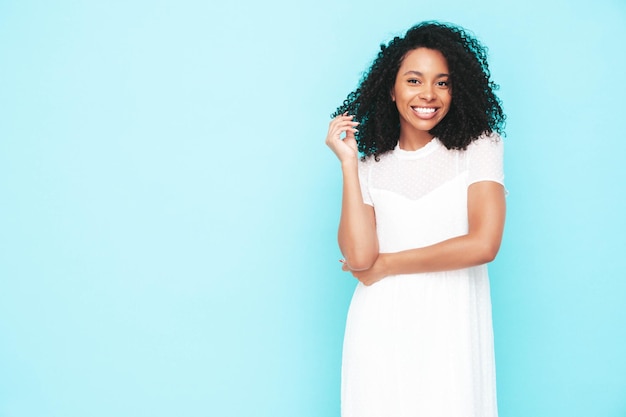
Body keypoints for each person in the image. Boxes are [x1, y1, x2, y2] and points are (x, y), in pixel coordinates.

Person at [325, 21, 507, 417]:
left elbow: (484, 244)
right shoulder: (371, 167)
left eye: (442, 83)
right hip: (379, 327)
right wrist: (349, 165)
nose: (428, 94)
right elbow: (359, 257)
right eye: (414, 80)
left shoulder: (479, 148)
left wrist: (388, 264)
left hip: (451, 326)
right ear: (391, 90)